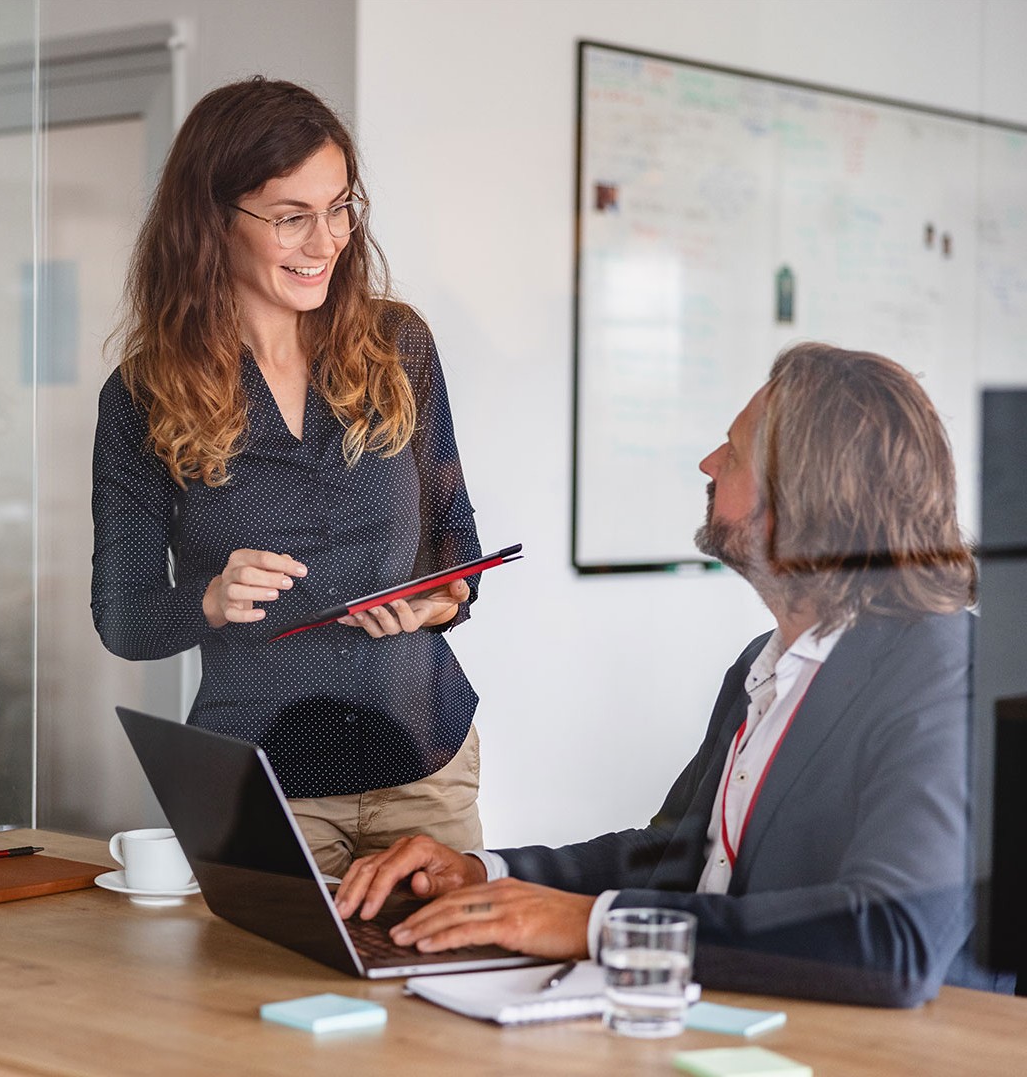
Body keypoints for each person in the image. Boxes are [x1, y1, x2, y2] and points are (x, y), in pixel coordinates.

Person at [336, 342, 1004, 1007]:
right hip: (730, 1027)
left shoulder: (951, 675)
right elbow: (677, 854)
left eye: (734, 454)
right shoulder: (764, 662)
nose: (709, 464)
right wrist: (484, 873)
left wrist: (597, 927)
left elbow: (893, 942)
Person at [92, 78, 484, 878]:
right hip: (264, 782)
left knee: (442, 991)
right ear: (213, 220)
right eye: (291, 217)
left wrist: (443, 598)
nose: (327, 240)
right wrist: (208, 599)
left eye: (340, 207)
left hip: (427, 767)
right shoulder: (142, 397)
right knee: (262, 999)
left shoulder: (398, 346)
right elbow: (123, 619)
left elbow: (455, 541)